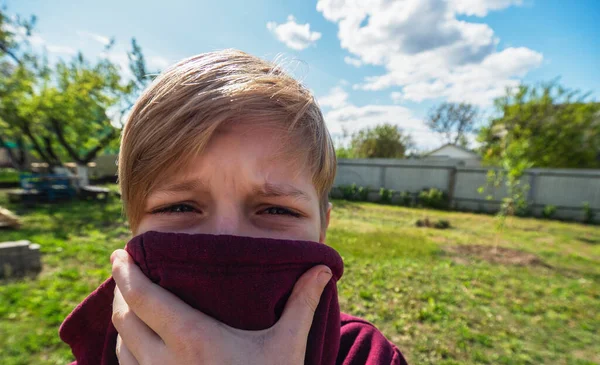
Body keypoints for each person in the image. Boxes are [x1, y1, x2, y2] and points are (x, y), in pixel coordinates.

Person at [63, 49, 408, 364]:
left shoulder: (366, 356)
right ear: (133, 227)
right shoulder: (99, 351)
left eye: (277, 210)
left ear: (322, 229)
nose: (225, 237)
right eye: (181, 207)